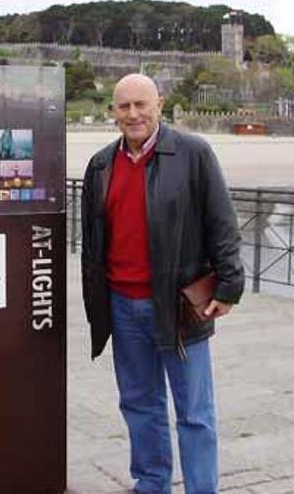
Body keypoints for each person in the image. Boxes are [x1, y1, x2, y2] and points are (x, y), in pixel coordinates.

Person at [80, 73, 244, 494]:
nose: (133, 114)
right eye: (123, 106)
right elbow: (94, 243)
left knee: (194, 411)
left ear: (160, 105)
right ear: (112, 112)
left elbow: (222, 221)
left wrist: (229, 285)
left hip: (177, 305)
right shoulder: (100, 165)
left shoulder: (193, 153)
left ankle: (201, 489)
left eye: (141, 104)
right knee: (140, 405)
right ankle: (151, 484)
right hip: (122, 305)